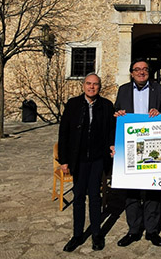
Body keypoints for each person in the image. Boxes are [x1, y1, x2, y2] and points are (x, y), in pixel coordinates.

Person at [114, 58, 161, 247]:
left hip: (152, 146)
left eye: (145, 69)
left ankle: (152, 230)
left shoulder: (158, 89)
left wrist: (159, 113)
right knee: (132, 190)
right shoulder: (122, 90)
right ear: (131, 73)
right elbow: (116, 113)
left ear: (149, 72)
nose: (141, 72)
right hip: (130, 147)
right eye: (137, 69)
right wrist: (119, 114)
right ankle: (134, 230)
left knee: (153, 189)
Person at [58, 73, 115, 252]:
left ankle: (97, 234)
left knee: (95, 198)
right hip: (78, 160)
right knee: (79, 198)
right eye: (89, 84)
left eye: (95, 84)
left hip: (97, 159)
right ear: (83, 85)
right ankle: (77, 235)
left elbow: (111, 130)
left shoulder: (106, 105)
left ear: (100, 87)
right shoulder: (73, 105)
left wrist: (112, 146)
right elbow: (64, 133)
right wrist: (64, 160)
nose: (92, 87)